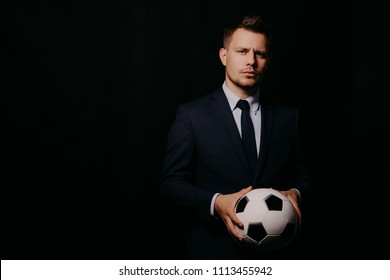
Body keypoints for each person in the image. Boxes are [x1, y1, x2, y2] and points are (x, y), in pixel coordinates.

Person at [159, 14, 312, 259]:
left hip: (277, 256)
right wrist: (216, 202)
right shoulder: (191, 115)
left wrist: (297, 193)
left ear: (268, 60)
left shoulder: (289, 118)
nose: (251, 61)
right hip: (211, 256)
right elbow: (170, 186)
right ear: (223, 56)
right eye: (242, 51)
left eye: (259, 54)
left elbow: (308, 177)